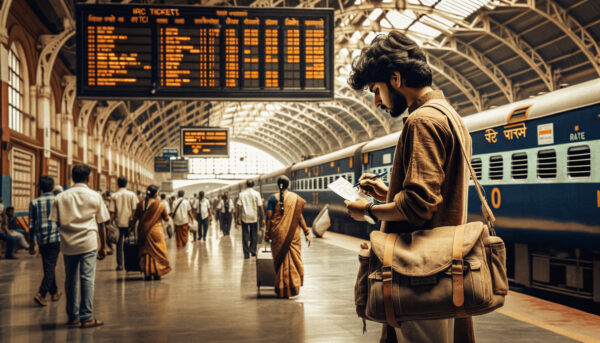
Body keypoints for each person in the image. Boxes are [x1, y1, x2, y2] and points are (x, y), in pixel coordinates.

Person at [345, 30, 474, 343]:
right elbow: (433, 198)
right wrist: (386, 194)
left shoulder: (422, 121)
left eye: (376, 90)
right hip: (443, 266)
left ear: (396, 78)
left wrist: (369, 208)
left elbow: (417, 208)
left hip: (421, 274)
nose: (376, 101)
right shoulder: (450, 116)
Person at [50, 164, 109, 328]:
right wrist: (103, 246)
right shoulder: (95, 196)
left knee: (70, 279)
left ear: (71, 177)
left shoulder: (60, 197)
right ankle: (87, 317)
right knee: (87, 279)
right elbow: (102, 223)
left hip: (68, 243)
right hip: (88, 243)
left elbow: (54, 222)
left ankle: (73, 315)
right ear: (89, 178)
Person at [265, 176, 311, 298]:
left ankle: (281, 288)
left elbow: (269, 218)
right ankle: (293, 288)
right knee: (293, 260)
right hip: (293, 234)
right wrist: (306, 232)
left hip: (278, 234)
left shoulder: (272, 198)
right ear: (288, 184)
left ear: (277, 185)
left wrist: (267, 233)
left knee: (281, 262)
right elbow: (299, 217)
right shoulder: (295, 198)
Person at [29, 176, 62, 306]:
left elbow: (32, 224)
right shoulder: (57, 200)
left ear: (40, 187)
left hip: (41, 239)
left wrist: (32, 242)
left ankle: (54, 292)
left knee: (48, 265)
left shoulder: (34, 202)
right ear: (53, 186)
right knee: (50, 266)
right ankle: (41, 294)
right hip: (55, 237)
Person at [133, 185, 171, 281]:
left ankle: (147, 273)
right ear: (155, 194)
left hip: (143, 231)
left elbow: (135, 217)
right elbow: (166, 218)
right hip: (156, 232)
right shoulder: (160, 205)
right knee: (158, 251)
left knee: (146, 252)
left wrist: (131, 228)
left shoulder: (141, 204)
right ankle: (158, 272)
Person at [109, 177, 139, 271]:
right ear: (127, 184)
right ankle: (130, 263)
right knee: (131, 242)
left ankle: (120, 264)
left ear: (118, 184)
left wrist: (110, 224)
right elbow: (134, 210)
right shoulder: (132, 195)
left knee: (119, 244)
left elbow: (112, 212)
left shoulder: (114, 196)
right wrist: (134, 223)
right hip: (129, 222)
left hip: (118, 223)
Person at [237, 180, 265, 259]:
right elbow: (260, 206)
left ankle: (246, 254)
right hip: (254, 217)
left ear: (246, 185)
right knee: (254, 234)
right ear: (253, 184)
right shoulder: (257, 194)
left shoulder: (241, 194)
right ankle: (253, 251)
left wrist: (237, 217)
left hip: (245, 216)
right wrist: (263, 218)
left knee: (245, 234)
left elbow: (239, 206)